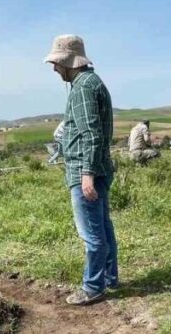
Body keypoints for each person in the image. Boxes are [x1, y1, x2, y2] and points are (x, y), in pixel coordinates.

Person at [44, 34, 118, 306]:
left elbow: (92, 134)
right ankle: (109, 278)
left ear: (68, 61)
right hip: (99, 167)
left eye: (56, 63)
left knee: (92, 235)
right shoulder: (91, 82)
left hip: (85, 170)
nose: (54, 68)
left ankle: (92, 287)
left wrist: (87, 174)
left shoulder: (82, 88)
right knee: (103, 228)